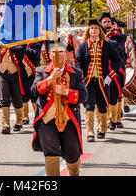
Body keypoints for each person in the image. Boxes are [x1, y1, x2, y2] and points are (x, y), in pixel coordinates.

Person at [30, 38, 87, 176]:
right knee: (51, 154)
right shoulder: (41, 71)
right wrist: (49, 80)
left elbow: (83, 96)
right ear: (49, 54)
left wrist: (66, 92)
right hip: (47, 120)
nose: (57, 54)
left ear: (66, 54)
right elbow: (33, 92)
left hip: (69, 120)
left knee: (73, 156)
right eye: (54, 51)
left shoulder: (76, 73)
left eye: (60, 51)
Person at [75, 19, 121, 142]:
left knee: (102, 106)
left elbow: (117, 60)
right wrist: (81, 78)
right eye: (91, 28)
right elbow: (78, 62)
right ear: (88, 31)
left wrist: (110, 76)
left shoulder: (107, 45)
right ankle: (90, 132)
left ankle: (102, 128)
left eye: (96, 28)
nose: (93, 30)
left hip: (103, 81)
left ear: (99, 31)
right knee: (89, 105)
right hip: (88, 81)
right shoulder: (83, 45)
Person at [98, 13, 126, 130]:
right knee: (101, 96)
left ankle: (116, 119)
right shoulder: (97, 37)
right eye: (104, 23)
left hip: (116, 70)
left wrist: (112, 34)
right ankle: (104, 121)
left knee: (116, 95)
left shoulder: (119, 37)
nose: (107, 24)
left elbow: (119, 45)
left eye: (109, 22)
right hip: (101, 70)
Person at [0, 44, 29, 134]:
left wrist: (6, 44)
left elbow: (19, 50)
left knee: (17, 99)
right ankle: (5, 125)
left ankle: (18, 122)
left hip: (16, 74)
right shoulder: (1, 39)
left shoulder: (20, 40)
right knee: (3, 99)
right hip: (2, 73)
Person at [22, 41, 42, 125]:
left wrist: (23, 49)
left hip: (33, 72)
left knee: (34, 94)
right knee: (24, 95)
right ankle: (24, 117)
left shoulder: (36, 44)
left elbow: (35, 54)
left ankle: (36, 115)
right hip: (23, 71)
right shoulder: (20, 44)